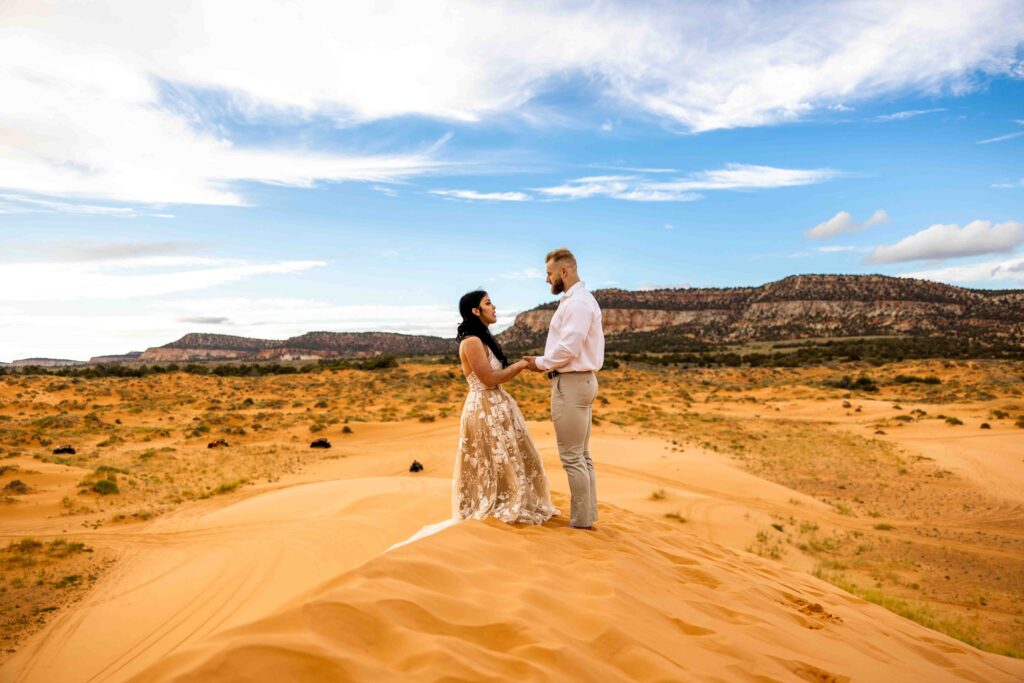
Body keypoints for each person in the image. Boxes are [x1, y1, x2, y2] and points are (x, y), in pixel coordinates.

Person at [452, 290, 560, 524]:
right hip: (483, 408)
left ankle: (513, 500)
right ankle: (494, 508)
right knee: (490, 459)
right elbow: (489, 379)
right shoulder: (471, 341)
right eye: (488, 303)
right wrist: (522, 364)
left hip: (498, 404)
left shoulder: (483, 339)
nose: (494, 307)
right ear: (475, 311)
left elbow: (496, 377)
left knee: (509, 457)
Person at [524, 248, 604, 530]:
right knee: (581, 455)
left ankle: (581, 523)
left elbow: (568, 348)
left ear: (564, 272)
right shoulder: (578, 300)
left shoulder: (578, 303)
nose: (547, 280)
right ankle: (588, 516)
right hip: (580, 382)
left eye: (549, 273)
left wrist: (539, 363)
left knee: (572, 457)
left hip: (571, 383)